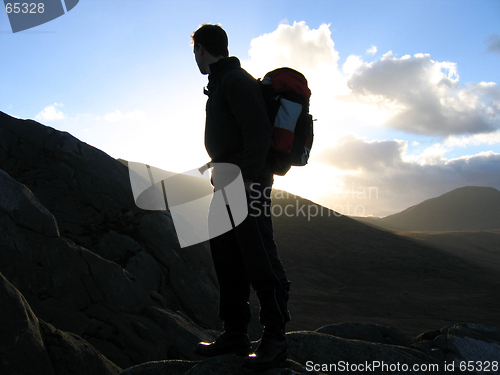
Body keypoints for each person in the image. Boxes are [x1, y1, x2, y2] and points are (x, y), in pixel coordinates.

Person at [191, 24, 291, 370]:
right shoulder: (221, 82)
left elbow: (259, 133)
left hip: (246, 185)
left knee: (259, 254)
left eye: (195, 52)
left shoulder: (234, 80)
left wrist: (246, 180)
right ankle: (234, 333)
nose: (195, 59)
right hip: (227, 182)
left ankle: (275, 336)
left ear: (202, 49)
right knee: (227, 256)